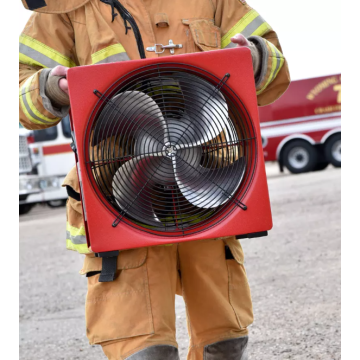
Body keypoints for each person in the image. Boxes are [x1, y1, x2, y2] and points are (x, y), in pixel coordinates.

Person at [19, 1, 290, 359]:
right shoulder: (67, 8)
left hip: (206, 198)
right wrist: (49, 90)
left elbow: (274, 64)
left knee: (224, 344)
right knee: (145, 351)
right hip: (118, 199)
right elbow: (19, 94)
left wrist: (255, 58)